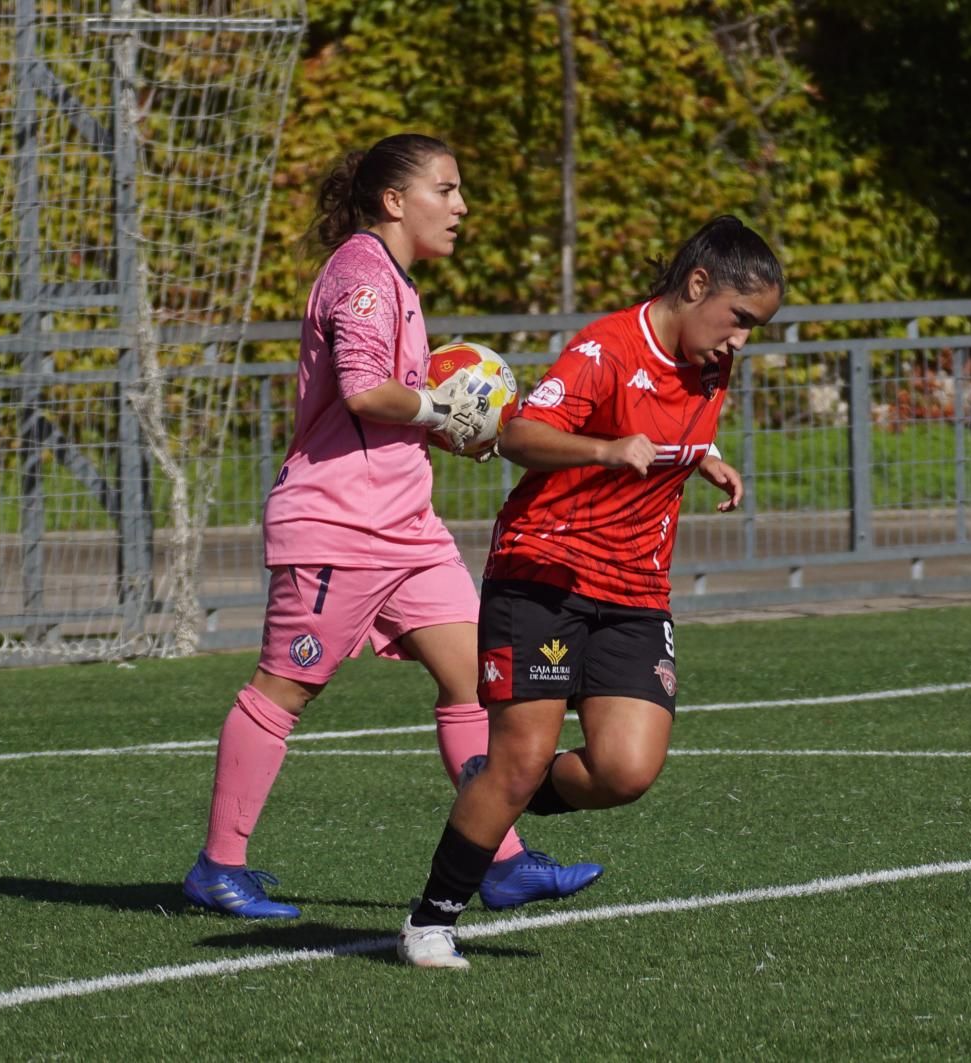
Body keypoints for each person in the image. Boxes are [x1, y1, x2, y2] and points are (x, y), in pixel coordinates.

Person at [182, 133, 602, 919]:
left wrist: (445, 427)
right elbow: (366, 392)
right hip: (337, 525)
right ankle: (218, 865)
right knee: (284, 690)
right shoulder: (363, 276)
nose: (461, 206)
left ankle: (501, 863)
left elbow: (392, 407)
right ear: (394, 201)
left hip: (405, 525)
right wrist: (443, 408)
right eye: (447, 189)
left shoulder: (394, 279)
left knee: (477, 676)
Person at [397, 215, 785, 967]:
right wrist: (606, 450)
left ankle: (497, 785)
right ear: (697, 285)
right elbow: (519, 437)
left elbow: (667, 426)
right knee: (524, 753)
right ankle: (431, 917)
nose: (741, 339)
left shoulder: (710, 363)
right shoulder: (605, 349)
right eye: (739, 319)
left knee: (625, 769)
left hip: (637, 584)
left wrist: (701, 458)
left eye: (755, 328)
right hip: (545, 571)